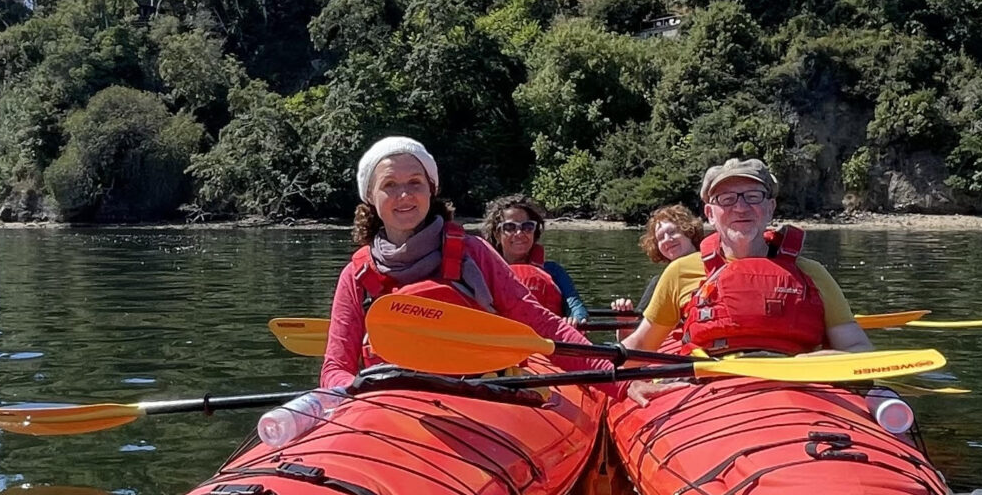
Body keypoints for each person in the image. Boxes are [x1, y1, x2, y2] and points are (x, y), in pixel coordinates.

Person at [263, 139, 594, 445]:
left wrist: (616, 380)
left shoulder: (473, 254)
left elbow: (542, 325)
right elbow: (336, 367)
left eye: (415, 183)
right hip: (391, 408)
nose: (404, 195)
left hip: (482, 396)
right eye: (389, 185)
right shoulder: (357, 275)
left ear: (430, 189)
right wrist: (357, 405)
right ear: (371, 198)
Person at [620, 158, 913, 436]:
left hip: (799, 388)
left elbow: (860, 350)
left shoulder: (812, 273)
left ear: (770, 207)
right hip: (706, 390)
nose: (741, 207)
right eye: (727, 199)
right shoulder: (681, 272)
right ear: (710, 213)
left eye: (753, 196)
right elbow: (641, 345)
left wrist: (825, 359)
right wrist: (627, 384)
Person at [479, 194, 590, 323]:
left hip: (547, 339)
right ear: (497, 234)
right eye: (510, 227)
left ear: (534, 231)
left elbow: (576, 306)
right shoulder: (483, 272)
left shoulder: (553, 271)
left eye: (527, 227)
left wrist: (576, 319)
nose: (519, 233)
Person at [612, 204, 701, 317]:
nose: (667, 240)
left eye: (672, 232)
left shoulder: (716, 267)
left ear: (689, 231)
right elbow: (638, 329)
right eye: (660, 237)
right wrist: (624, 323)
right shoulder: (659, 282)